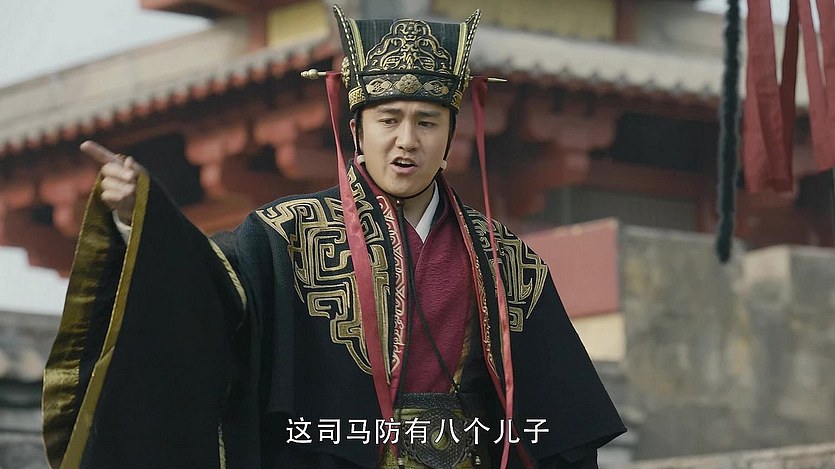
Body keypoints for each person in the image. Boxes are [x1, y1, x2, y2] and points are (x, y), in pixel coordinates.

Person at [43, 6, 625, 469]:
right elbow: (206, 292)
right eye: (388, 119)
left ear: (451, 137)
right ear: (357, 129)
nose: (407, 140)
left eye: (427, 123)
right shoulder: (289, 235)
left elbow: (560, 418)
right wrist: (143, 218)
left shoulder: (504, 257)